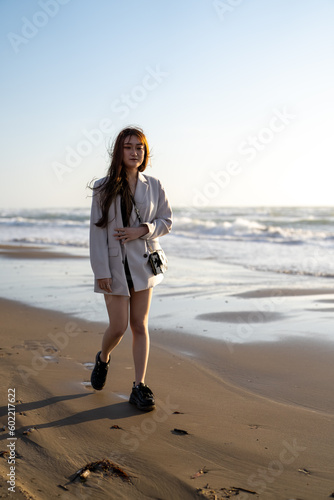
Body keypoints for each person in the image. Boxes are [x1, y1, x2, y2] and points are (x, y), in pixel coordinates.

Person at [89, 126, 172, 411]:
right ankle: (103, 358)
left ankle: (139, 386)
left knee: (139, 325)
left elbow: (166, 222)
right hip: (113, 267)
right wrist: (101, 271)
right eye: (128, 147)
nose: (135, 152)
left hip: (143, 265)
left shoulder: (155, 185)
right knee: (118, 326)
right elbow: (96, 233)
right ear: (119, 151)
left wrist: (143, 230)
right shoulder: (103, 187)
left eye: (139, 147)